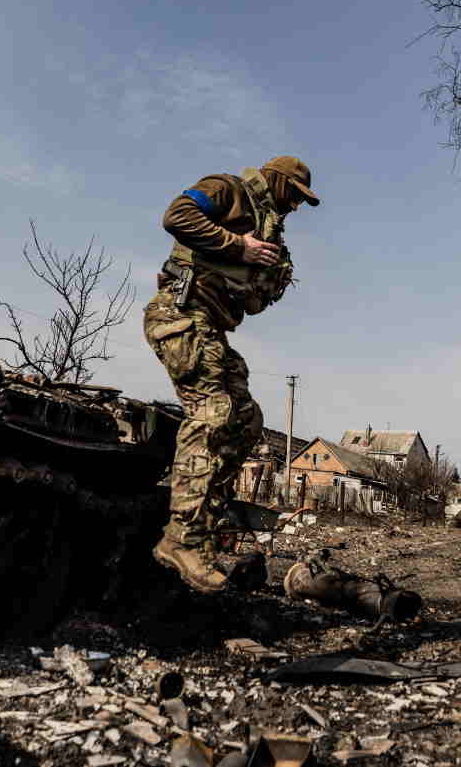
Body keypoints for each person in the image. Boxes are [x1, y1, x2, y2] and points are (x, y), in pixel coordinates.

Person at [144, 156, 320, 593]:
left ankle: (202, 531)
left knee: (245, 421)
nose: (295, 207)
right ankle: (180, 538)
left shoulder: (270, 229)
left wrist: (267, 275)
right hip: (180, 315)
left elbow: (254, 300)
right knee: (214, 411)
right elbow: (176, 216)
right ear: (278, 181)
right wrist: (239, 247)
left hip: (212, 329)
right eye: (294, 196)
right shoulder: (228, 190)